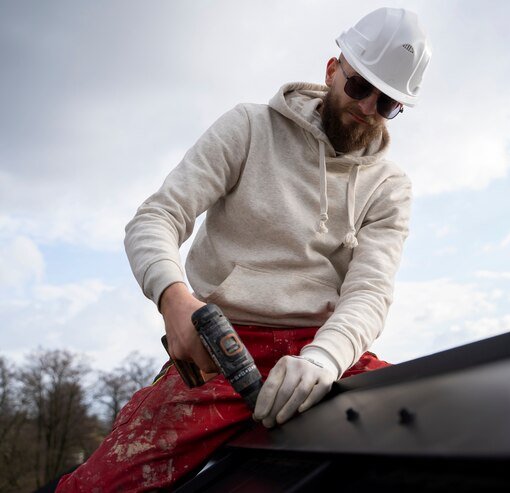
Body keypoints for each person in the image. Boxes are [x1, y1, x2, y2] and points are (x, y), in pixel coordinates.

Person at [56, 7, 431, 492]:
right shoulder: (249, 128)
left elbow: (370, 293)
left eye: (387, 104)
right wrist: (175, 300)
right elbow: (156, 218)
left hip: (321, 353)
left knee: (428, 436)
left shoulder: (390, 187)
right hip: (223, 353)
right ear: (332, 70)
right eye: (360, 87)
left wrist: (323, 360)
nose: (368, 108)